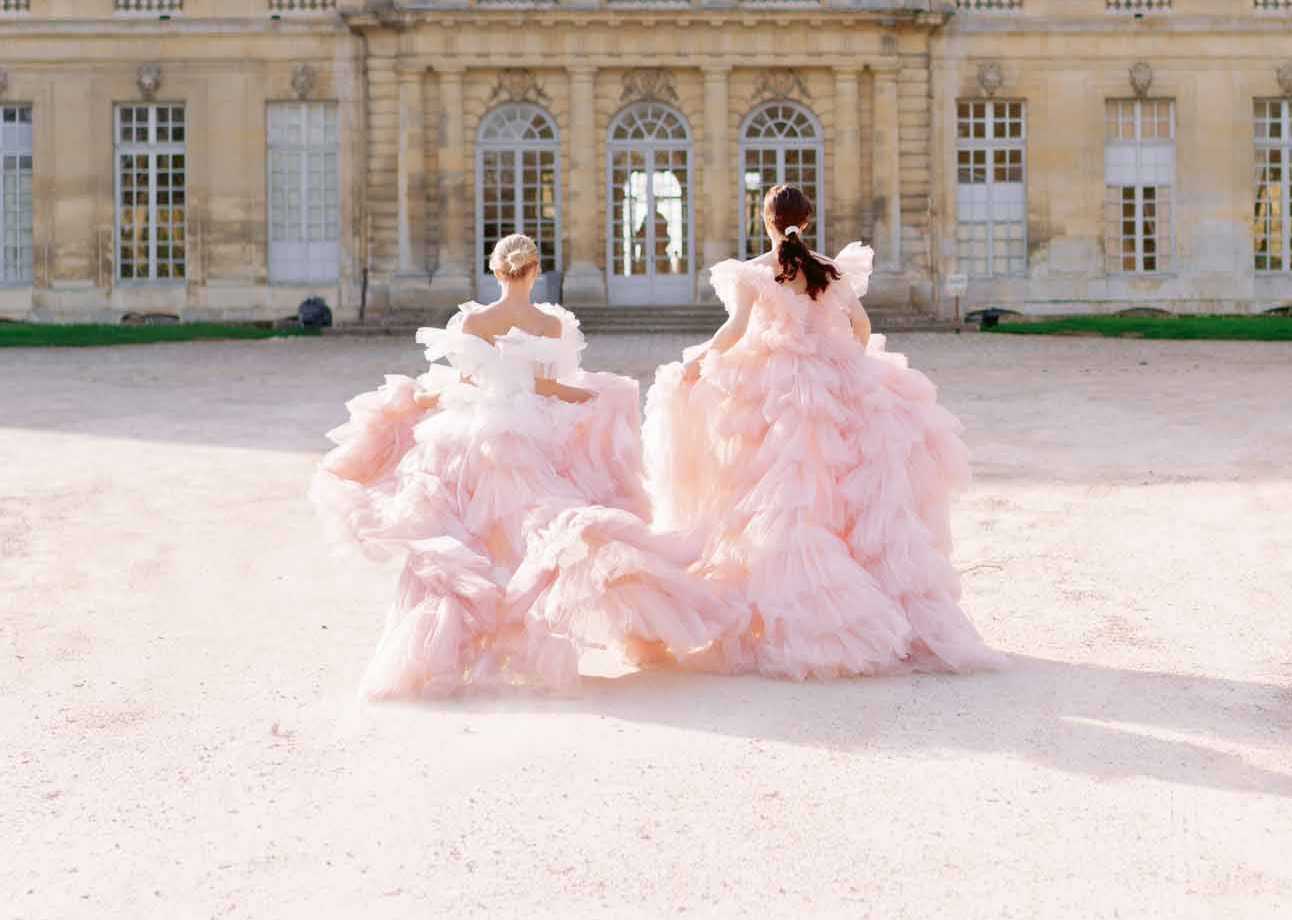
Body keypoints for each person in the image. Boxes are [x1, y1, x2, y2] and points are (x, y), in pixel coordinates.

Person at [312, 232, 743, 697]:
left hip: (471, 435)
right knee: (528, 542)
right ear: (535, 271)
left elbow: (464, 381)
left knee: (462, 540)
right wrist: (599, 394)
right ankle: (523, 638)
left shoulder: (474, 322)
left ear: (496, 271)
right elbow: (550, 388)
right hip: (527, 437)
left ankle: (443, 649)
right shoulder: (551, 325)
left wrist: (417, 398)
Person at [643, 184, 1004, 681]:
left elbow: (735, 331)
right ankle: (877, 608)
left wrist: (698, 361)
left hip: (776, 389)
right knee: (848, 496)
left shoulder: (755, 273)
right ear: (806, 223)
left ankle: (790, 611)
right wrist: (848, 361)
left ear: (765, 221)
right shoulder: (828, 269)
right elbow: (860, 324)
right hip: (831, 381)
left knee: (778, 499)